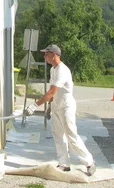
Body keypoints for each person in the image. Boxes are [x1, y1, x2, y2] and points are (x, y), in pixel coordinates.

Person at [26, 44, 96, 176]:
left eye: (46, 53)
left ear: (54, 54)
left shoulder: (62, 71)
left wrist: (35, 105)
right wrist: (49, 108)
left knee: (71, 136)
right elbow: (54, 93)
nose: (44, 56)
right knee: (58, 135)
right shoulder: (53, 69)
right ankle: (64, 164)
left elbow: (51, 92)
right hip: (57, 106)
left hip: (66, 107)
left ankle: (89, 163)